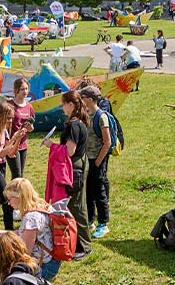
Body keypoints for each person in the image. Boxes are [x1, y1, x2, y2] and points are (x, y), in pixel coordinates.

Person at [43, 91, 90, 260]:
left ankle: (83, 245)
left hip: (74, 168)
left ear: (71, 105)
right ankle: (78, 242)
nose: (62, 107)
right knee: (76, 205)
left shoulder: (73, 126)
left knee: (76, 207)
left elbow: (69, 151)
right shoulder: (78, 123)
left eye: (63, 104)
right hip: (79, 166)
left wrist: (51, 145)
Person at [0, 178, 62, 281]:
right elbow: (22, 233)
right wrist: (0, 233)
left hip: (45, 266)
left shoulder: (31, 219)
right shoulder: (39, 206)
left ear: (19, 197)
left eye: (9, 199)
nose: (8, 203)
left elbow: (24, 253)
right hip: (51, 261)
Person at [0, 103, 30, 239]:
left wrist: (18, 138)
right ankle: (11, 237)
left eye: (12, 118)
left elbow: (11, 153)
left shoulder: (5, 131)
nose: (10, 121)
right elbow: (1, 153)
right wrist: (14, 138)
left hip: (1, 168)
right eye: (8, 118)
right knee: (7, 203)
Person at [80, 86, 112, 240]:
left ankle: (103, 223)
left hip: (98, 160)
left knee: (99, 192)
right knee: (88, 191)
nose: (81, 100)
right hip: (87, 159)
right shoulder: (86, 114)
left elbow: (107, 142)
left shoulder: (101, 117)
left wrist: (98, 162)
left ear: (91, 99)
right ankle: (90, 220)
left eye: (83, 97)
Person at [6, 78, 35, 179]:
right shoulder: (9, 105)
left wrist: (30, 127)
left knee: (20, 174)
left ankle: (17, 194)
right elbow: (1, 122)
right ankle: (13, 194)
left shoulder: (29, 107)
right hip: (11, 143)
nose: (25, 92)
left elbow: (31, 128)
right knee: (16, 173)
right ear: (16, 90)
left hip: (23, 144)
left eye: (26, 89)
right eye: (22, 89)